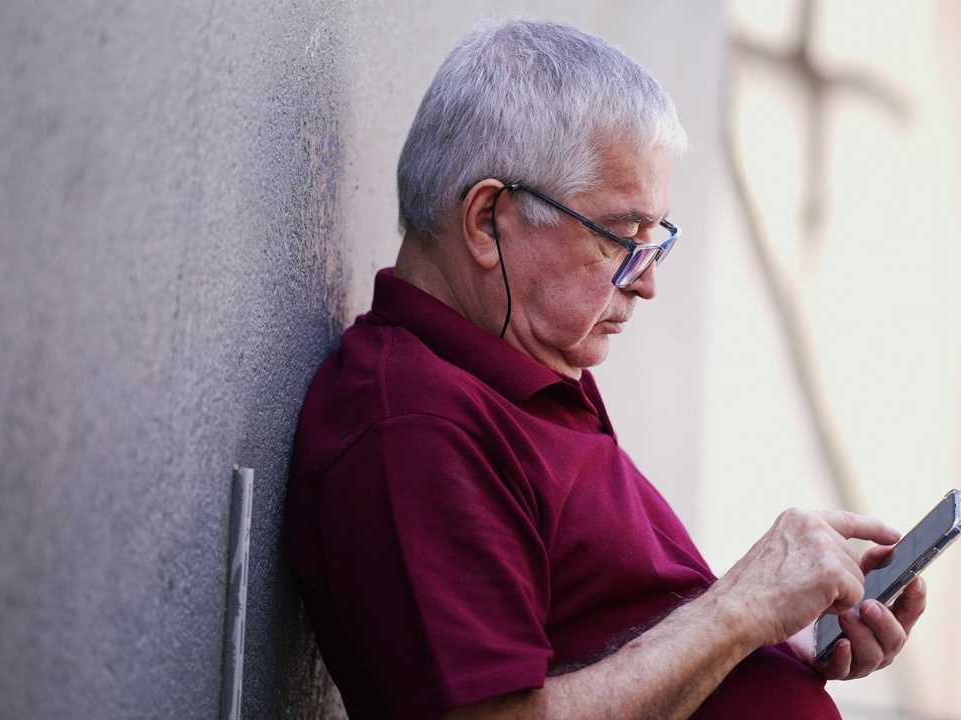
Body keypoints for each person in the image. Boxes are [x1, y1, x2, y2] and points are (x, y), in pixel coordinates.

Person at [287, 18, 926, 720]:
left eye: (657, 241)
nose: (647, 282)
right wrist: (741, 609)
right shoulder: (412, 423)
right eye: (623, 237)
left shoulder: (527, 375)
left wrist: (778, 636)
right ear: (486, 222)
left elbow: (612, 638)